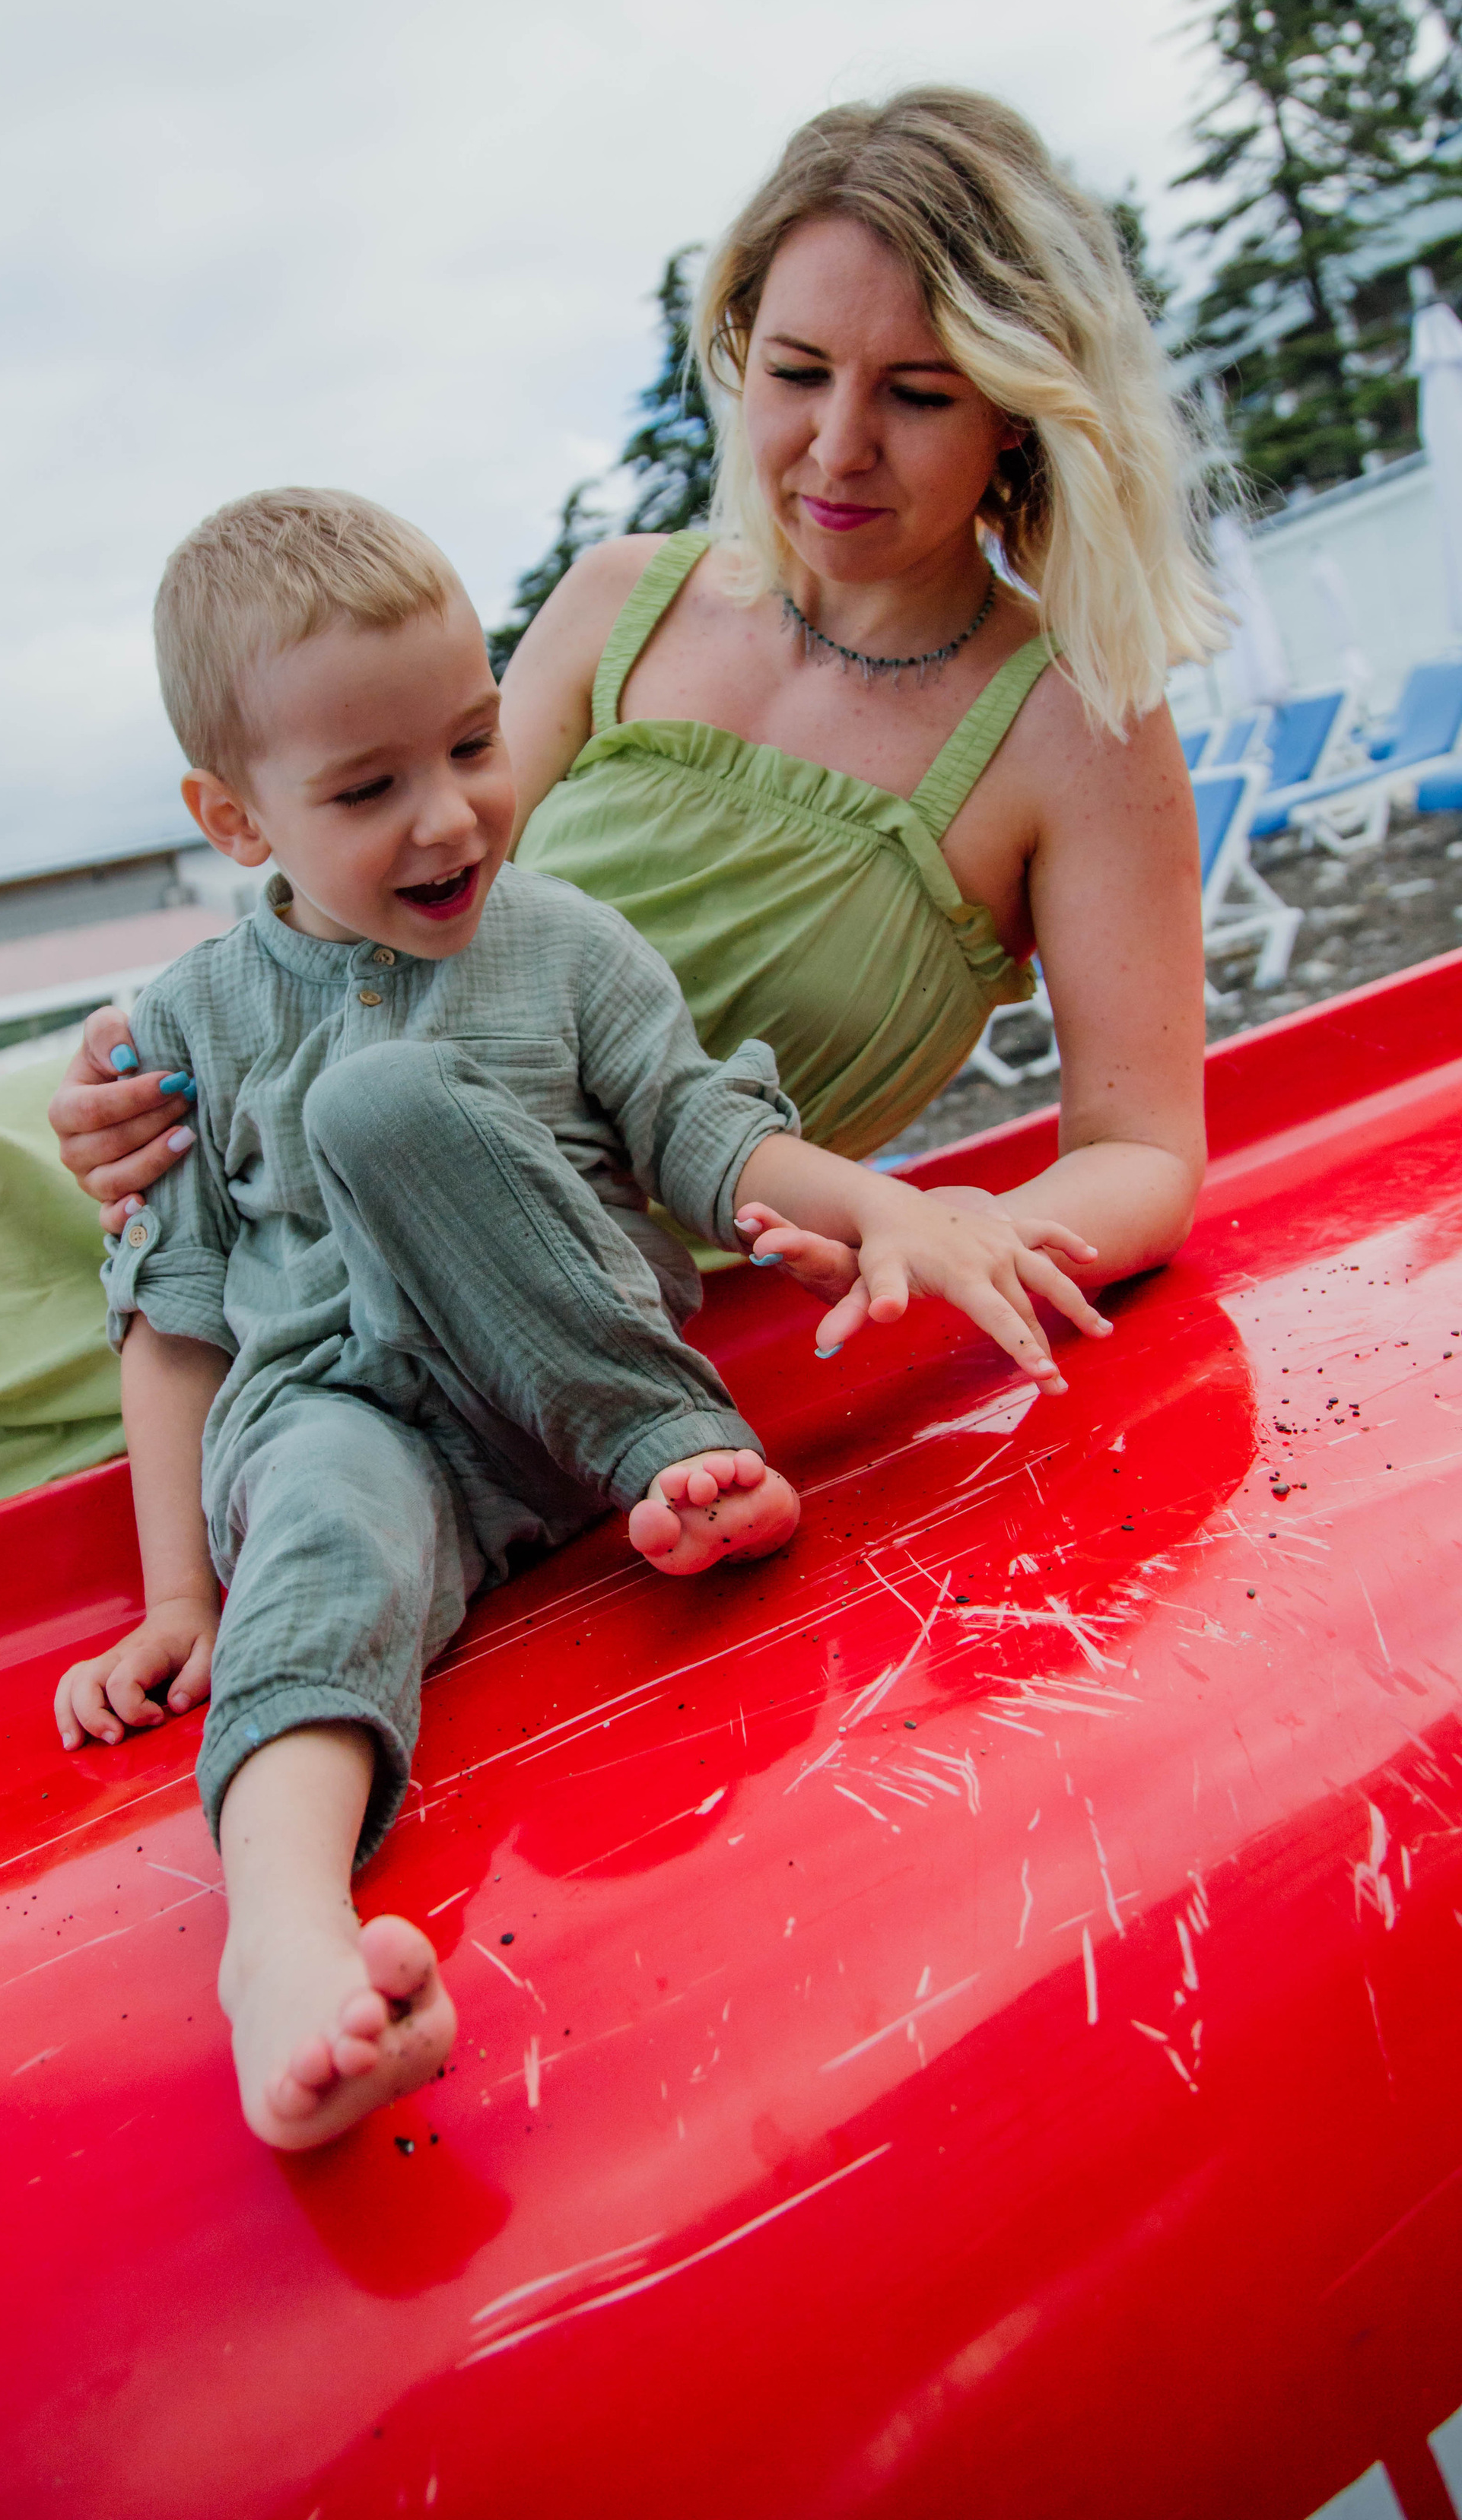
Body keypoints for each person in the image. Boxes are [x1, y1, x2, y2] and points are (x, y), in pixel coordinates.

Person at [0, 84, 1218, 1667]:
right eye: (793, 372)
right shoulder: (625, 594)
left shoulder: (1070, 722)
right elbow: (362, 873)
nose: (834, 447)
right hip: (242, 1128)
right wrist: (125, 1084)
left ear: (1016, 406)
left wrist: (965, 1228)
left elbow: (1140, 1148)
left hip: (484, 1267)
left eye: (913, 394)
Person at [67, 484, 1104, 2148]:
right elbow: (176, 1313)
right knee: (319, 1543)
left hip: (563, 1379)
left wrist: (893, 1201)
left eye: (471, 746)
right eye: (366, 789)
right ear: (235, 817)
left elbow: (704, 1137)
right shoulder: (189, 1021)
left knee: (381, 1105)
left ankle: (673, 1447)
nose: (447, 819)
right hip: (348, 1421)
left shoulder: (562, 942)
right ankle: (282, 1940)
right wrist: (179, 1592)